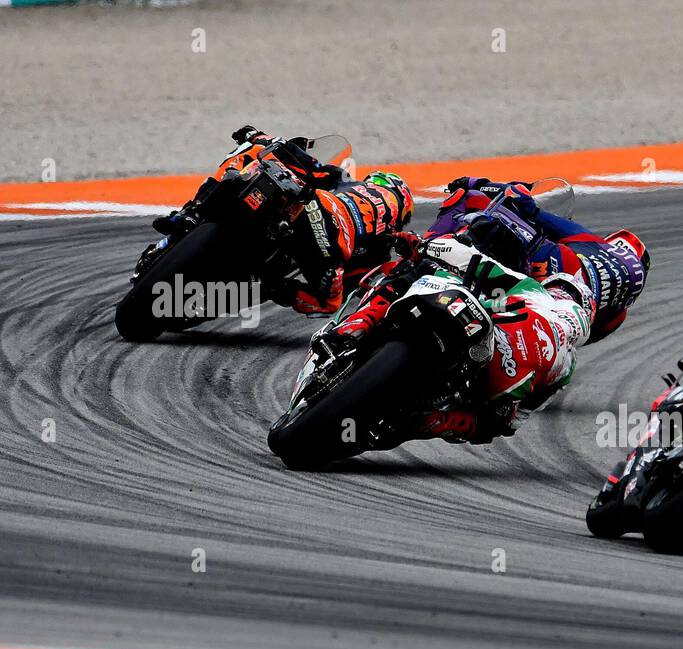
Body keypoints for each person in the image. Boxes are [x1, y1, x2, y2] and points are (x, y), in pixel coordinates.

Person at [322, 229, 596, 445]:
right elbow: (518, 418)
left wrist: (421, 247)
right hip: (498, 382)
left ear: (556, 289)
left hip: (483, 334)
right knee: (491, 424)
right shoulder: (568, 367)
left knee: (416, 272)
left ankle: (358, 324)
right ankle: (434, 421)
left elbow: (476, 263)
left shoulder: (536, 292)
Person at [151, 126, 414, 315]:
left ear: (375, 181)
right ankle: (270, 285)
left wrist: (261, 137)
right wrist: (290, 290)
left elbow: (304, 162)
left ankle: (191, 213)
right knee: (329, 302)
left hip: (312, 208)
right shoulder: (382, 247)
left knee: (251, 157)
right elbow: (350, 288)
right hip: (329, 248)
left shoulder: (346, 180)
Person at [427, 177, 649, 343]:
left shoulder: (596, 244)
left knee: (471, 200)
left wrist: (475, 182)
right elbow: (581, 340)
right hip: (550, 305)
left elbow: (529, 207)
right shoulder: (617, 314)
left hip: (550, 267)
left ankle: (428, 245)